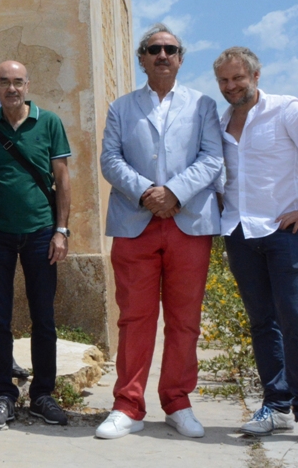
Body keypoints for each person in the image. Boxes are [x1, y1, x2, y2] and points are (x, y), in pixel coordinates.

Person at [97, 23, 223, 440]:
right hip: (136, 223)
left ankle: (178, 401)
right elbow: (110, 160)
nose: (162, 55)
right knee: (135, 317)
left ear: (181, 58)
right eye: (154, 49)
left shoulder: (203, 105)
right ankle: (127, 405)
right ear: (142, 58)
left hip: (189, 223)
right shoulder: (122, 107)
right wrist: (147, 192)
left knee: (185, 319)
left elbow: (211, 158)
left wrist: (174, 192)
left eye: (170, 49)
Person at [213, 47, 298, 450]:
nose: (231, 87)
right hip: (238, 232)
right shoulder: (219, 122)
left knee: (295, 319)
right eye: (224, 81)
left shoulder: (286, 110)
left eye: (238, 78)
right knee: (261, 322)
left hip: (283, 231)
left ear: (255, 75)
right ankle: (276, 404)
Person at [0, 60, 72, 429]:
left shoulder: (49, 123)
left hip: (41, 233)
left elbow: (62, 180)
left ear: (28, 85)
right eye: (4, 82)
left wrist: (61, 230)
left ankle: (43, 394)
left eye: (18, 82)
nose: (11, 88)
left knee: (43, 317)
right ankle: (4, 394)